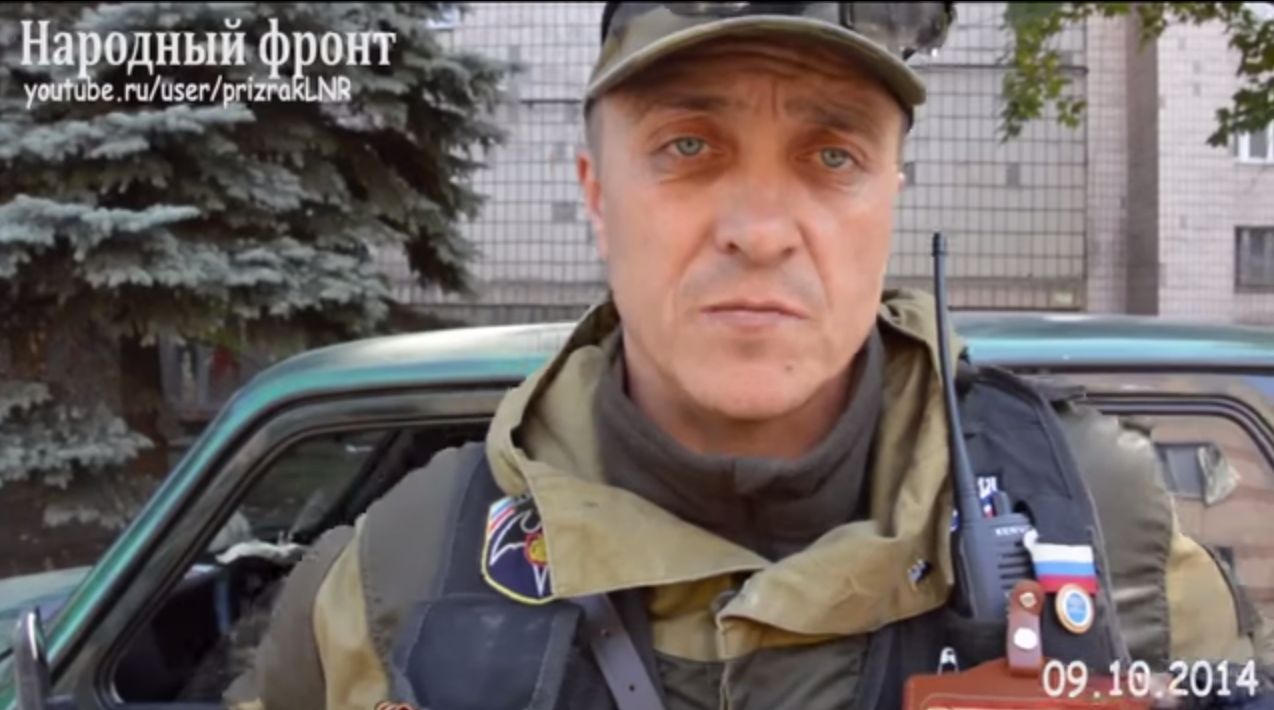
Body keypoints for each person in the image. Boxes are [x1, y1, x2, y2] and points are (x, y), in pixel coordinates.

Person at [225, 3, 1274, 709]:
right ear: (597, 196)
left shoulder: (1104, 535)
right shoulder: (393, 582)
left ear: (890, 200)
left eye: (832, 155)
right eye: (687, 146)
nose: (761, 230)